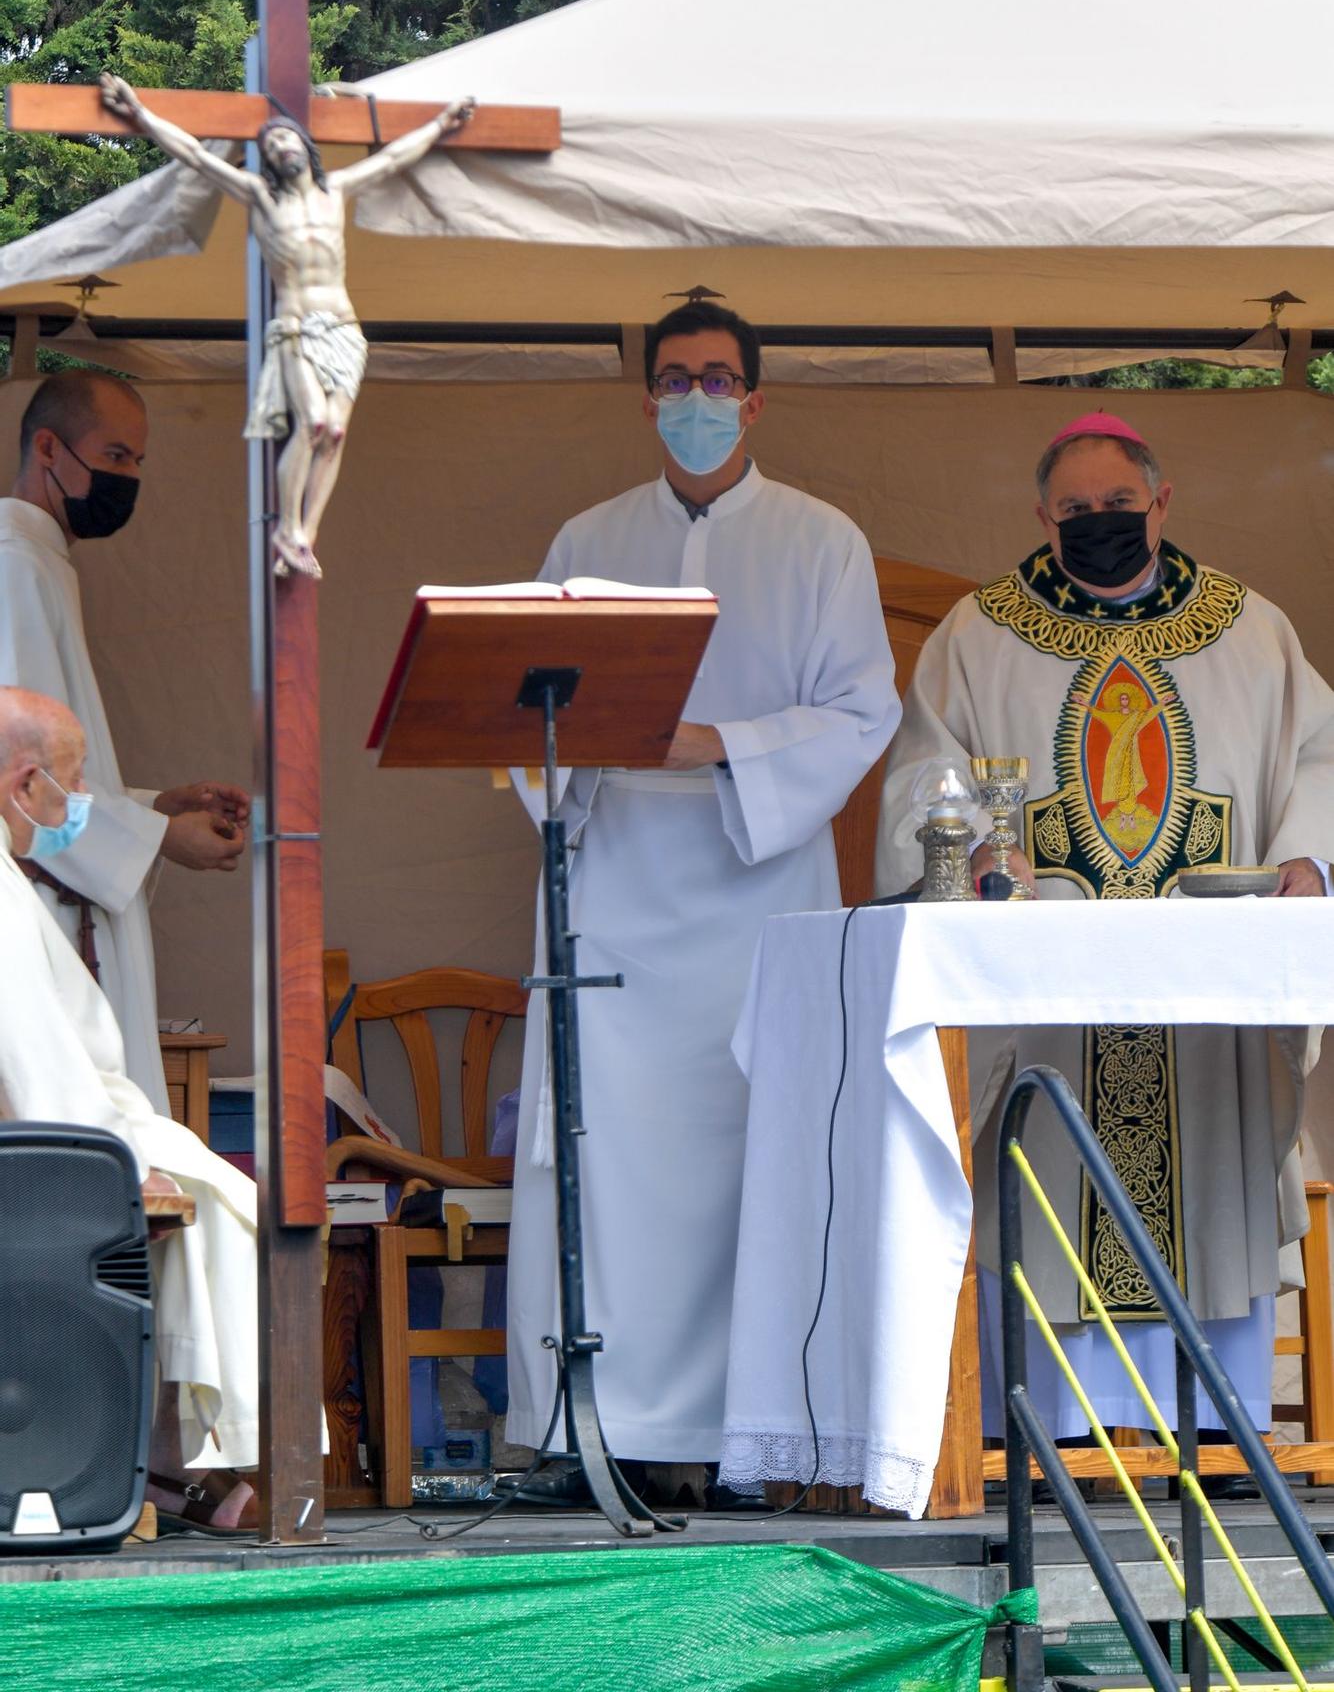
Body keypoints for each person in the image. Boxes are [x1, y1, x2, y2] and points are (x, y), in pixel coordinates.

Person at [505, 300, 901, 1492]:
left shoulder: (820, 539)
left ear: (755, 398)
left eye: (717, 378)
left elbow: (861, 710)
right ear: (645, 398)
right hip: (612, 893)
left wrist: (714, 745)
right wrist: (573, 766)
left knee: (750, 1161)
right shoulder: (585, 536)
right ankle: (594, 1432)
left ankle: (747, 1441)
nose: (695, 397)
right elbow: (521, 709)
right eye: (674, 377)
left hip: (753, 896)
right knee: (601, 1159)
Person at [876, 410, 1333, 1437]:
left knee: (1205, 1191)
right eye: (1074, 510)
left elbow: (1319, 749)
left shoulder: (1247, 627)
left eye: (1116, 506)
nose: (1097, 523)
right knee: (1046, 1195)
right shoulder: (977, 632)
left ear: (1159, 503)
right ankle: (1053, 1426)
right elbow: (924, 771)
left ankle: (1212, 1424)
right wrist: (965, 846)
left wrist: (1307, 852)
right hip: (1048, 994)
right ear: (1040, 514)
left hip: (1202, 997)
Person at [0, 687, 258, 1533]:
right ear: (24, 784)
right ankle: (182, 1462)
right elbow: (29, 1053)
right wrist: (105, 1163)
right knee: (233, 1204)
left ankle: (173, 1466)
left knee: (229, 1197)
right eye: (71, 791)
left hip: (76, 1126)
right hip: (56, 1146)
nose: (78, 813)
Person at [98, 72, 472, 578]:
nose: (280, 146)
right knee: (314, 423)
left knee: (336, 431)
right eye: (271, 143)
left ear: (304, 146)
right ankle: (285, 526)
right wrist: (139, 112)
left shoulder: (334, 189)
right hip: (296, 326)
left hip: (343, 325)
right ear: (267, 158)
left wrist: (442, 125)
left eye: (286, 138)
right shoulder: (259, 195)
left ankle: (304, 537)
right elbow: (194, 155)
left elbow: (393, 158)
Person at [0, 370, 249, 1112]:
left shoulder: (41, 561)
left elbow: (57, 776)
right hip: (38, 921)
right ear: (48, 447)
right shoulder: (13, 564)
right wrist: (160, 836)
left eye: (138, 462)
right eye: (114, 457)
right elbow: (21, 778)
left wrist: (154, 805)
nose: (129, 478)